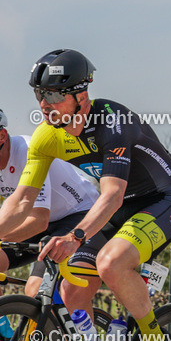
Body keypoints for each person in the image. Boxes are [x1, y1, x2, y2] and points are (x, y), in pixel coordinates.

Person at [5, 49, 171, 341]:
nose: (44, 103)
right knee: (72, 288)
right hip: (113, 208)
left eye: (53, 94)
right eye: (40, 94)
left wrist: (75, 236)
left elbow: (113, 195)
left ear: (81, 95)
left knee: (111, 263)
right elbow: (21, 201)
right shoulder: (45, 137)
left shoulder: (112, 121)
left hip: (160, 201)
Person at [0, 108, 99, 297]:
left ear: (2, 136)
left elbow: (39, 220)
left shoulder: (27, 152)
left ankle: (56, 315)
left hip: (77, 215)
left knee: (35, 290)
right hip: (38, 222)